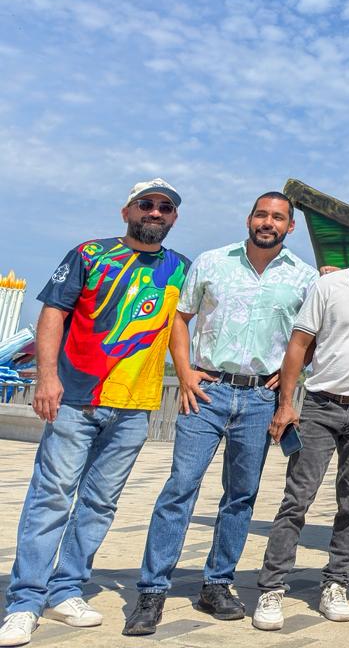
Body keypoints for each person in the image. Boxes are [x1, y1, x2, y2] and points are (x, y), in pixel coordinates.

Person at [1, 180, 190, 648]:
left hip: (134, 406)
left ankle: (65, 590)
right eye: (146, 204)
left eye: (165, 207)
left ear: (173, 218)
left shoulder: (181, 268)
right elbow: (52, 315)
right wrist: (47, 377)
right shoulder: (89, 254)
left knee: (100, 504)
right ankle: (25, 601)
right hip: (77, 399)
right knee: (51, 498)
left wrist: (189, 375)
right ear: (126, 209)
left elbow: (185, 324)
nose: (155, 212)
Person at [123, 192, 317, 636]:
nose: (268, 222)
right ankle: (152, 591)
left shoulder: (305, 278)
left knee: (241, 496)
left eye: (278, 218)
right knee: (180, 489)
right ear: (249, 218)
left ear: (290, 227)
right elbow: (179, 317)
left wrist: (294, 372)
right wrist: (186, 371)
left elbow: (312, 334)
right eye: (261, 214)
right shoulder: (211, 263)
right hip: (205, 393)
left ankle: (217, 583)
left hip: (259, 400)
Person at [252, 221, 349, 631]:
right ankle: (272, 588)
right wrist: (286, 404)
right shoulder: (329, 286)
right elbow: (299, 344)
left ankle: (336, 583)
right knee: (297, 500)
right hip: (321, 408)